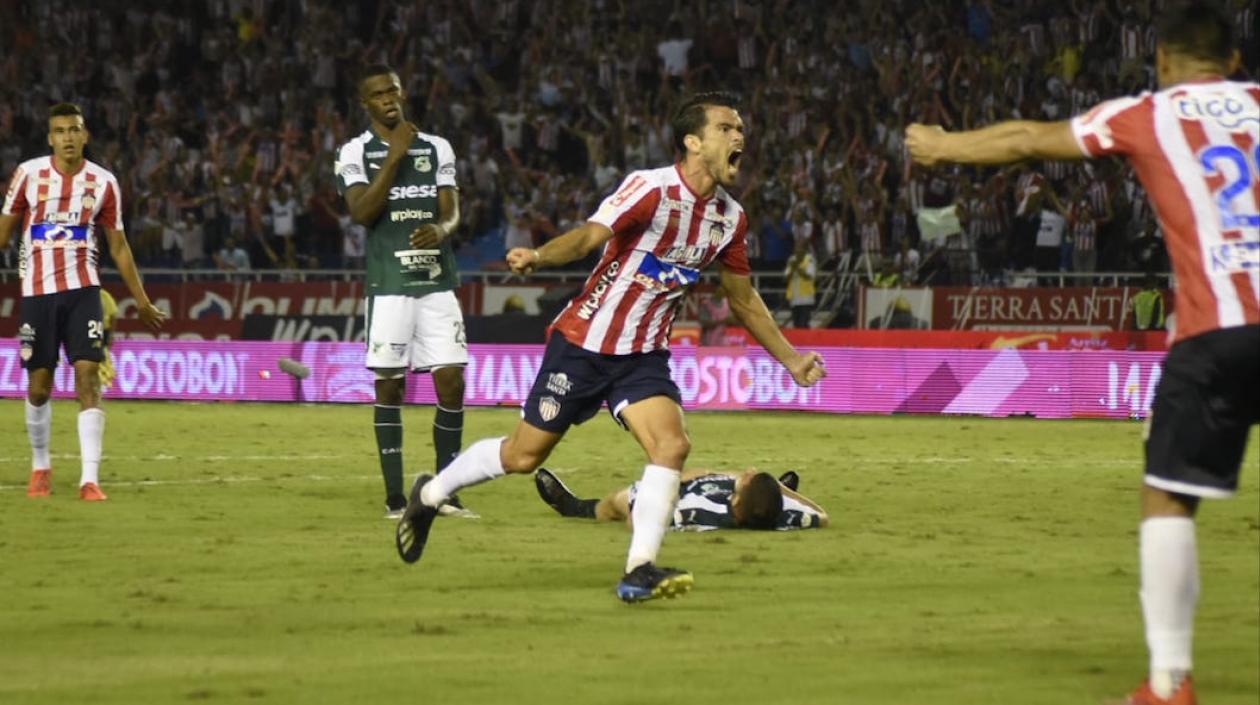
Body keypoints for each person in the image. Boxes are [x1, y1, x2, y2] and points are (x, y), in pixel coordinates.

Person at [906, 6, 1258, 704]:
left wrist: (945, 147)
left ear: (1161, 64)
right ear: (1237, 65)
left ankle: (1168, 684)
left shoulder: (1147, 112)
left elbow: (1028, 140)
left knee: (1168, 497)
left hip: (1216, 330)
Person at [395, 92, 827, 603]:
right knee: (522, 456)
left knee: (672, 445)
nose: (740, 137)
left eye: (742, 130)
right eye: (727, 128)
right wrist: (538, 255)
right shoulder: (650, 189)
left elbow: (743, 299)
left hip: (642, 356)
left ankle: (639, 569)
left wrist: (792, 359)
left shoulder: (729, 220)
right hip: (583, 344)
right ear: (693, 141)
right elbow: (589, 237)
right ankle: (429, 494)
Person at [0, 102, 165, 501]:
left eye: (74, 130)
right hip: (38, 294)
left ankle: (89, 480)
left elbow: (120, 246)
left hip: (84, 291)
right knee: (39, 387)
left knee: (88, 376)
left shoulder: (103, 182)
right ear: (50, 138)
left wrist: (141, 300)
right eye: (60, 131)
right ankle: (41, 466)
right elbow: (3, 232)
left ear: (85, 135)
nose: (68, 137)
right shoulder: (28, 175)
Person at [334, 64, 472, 520]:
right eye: (377, 94)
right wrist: (394, 156)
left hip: (436, 284)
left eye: (392, 90)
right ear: (365, 103)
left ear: (402, 91)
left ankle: (445, 492)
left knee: (451, 382)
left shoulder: (438, 148)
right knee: (389, 387)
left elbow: (452, 212)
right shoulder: (354, 152)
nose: (388, 99)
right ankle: (395, 499)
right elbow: (361, 212)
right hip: (389, 286)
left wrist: (441, 227)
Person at [534, 467, 829, 531]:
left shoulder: (697, 510)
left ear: (739, 498)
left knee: (617, 501)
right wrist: (781, 490)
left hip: (673, 493)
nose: (748, 471)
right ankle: (769, 492)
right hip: (751, 498)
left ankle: (573, 507)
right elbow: (823, 516)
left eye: (750, 477)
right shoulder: (789, 517)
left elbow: (638, 520)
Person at [784, 238, 817, 328]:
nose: (797, 250)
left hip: (806, 299)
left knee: (803, 324)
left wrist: (797, 268)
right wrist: (792, 270)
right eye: (796, 248)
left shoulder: (810, 260)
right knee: (796, 324)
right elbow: (785, 278)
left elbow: (810, 276)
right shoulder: (791, 260)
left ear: (805, 250)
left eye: (800, 248)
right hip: (794, 298)